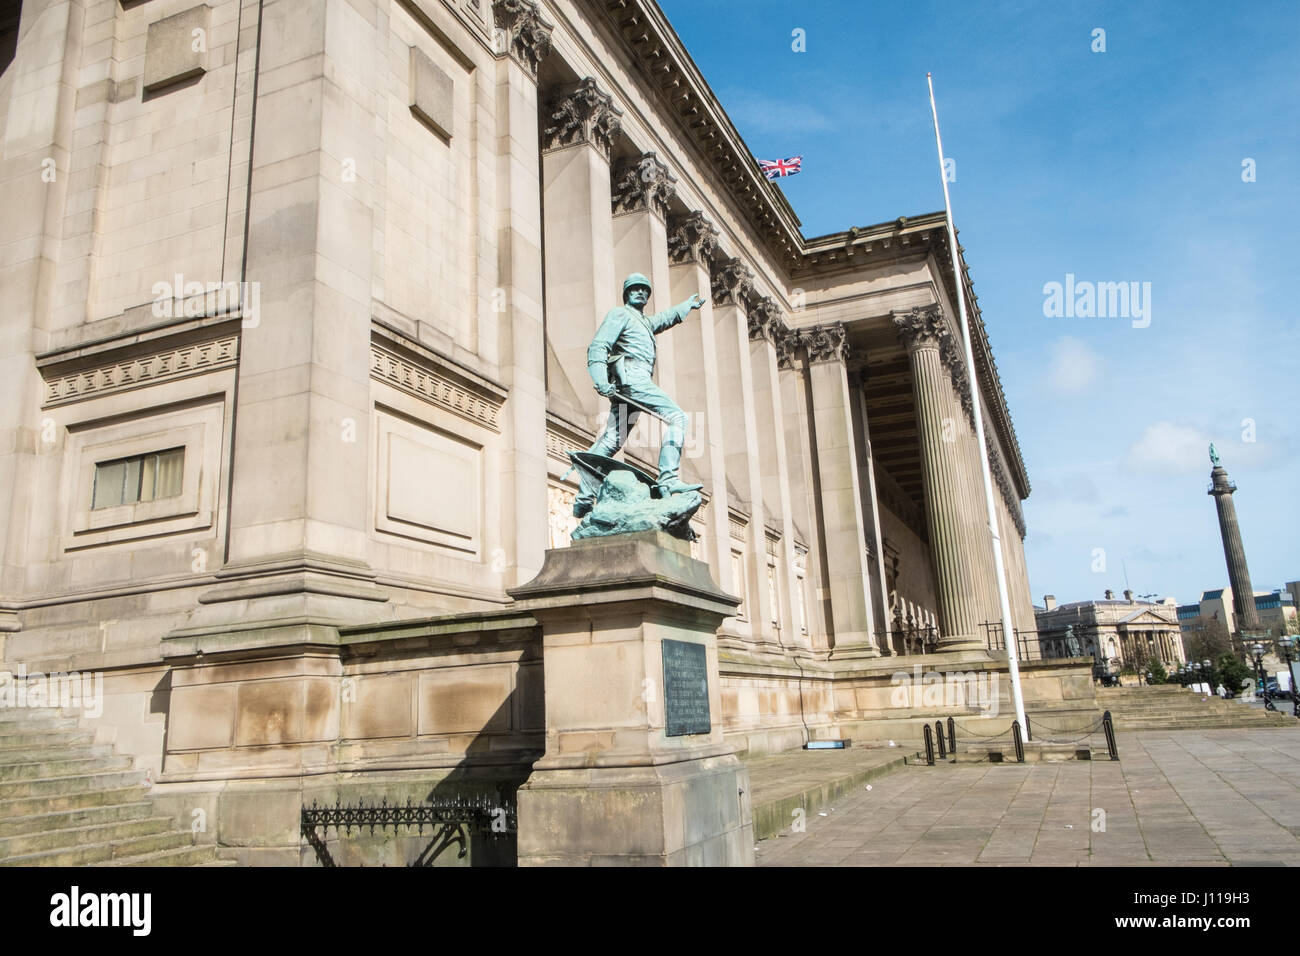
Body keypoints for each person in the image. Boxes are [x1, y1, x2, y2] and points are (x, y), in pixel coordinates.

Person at [575, 273, 706, 517]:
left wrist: (686, 305)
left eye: (645, 289)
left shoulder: (643, 322)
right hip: (632, 378)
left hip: (634, 383)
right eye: (634, 288)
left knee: (612, 440)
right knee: (678, 418)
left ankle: (584, 496)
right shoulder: (620, 314)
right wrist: (600, 380)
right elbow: (599, 345)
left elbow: (663, 319)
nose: (640, 292)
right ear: (626, 293)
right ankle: (668, 478)